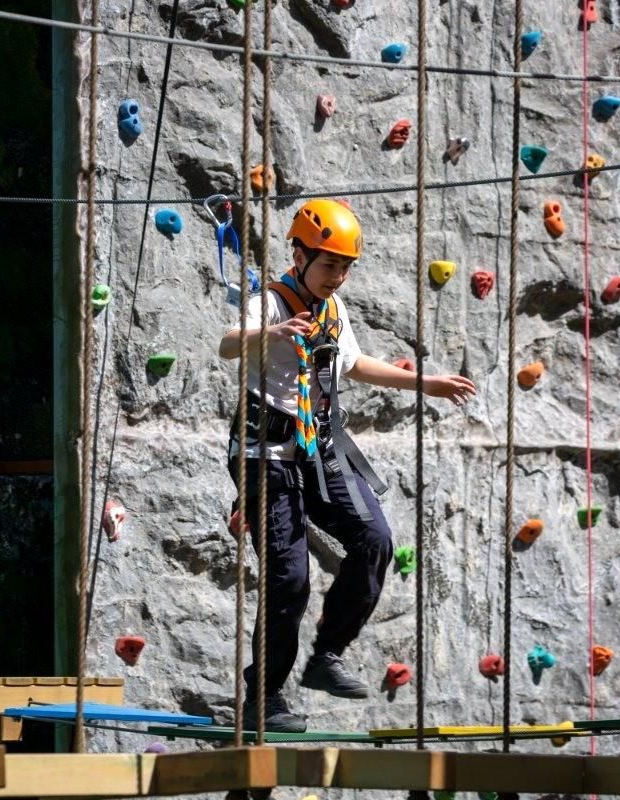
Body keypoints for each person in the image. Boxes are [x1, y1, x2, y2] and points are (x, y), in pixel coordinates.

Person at [217, 199, 477, 732]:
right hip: (264, 457)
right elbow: (226, 345)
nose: (337, 277)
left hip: (318, 452)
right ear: (300, 253)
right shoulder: (270, 303)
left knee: (374, 538)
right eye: (329, 265)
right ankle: (263, 699)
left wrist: (426, 382)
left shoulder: (335, 310)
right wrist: (267, 334)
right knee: (289, 578)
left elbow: (354, 364)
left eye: (345, 268)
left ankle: (325, 656)